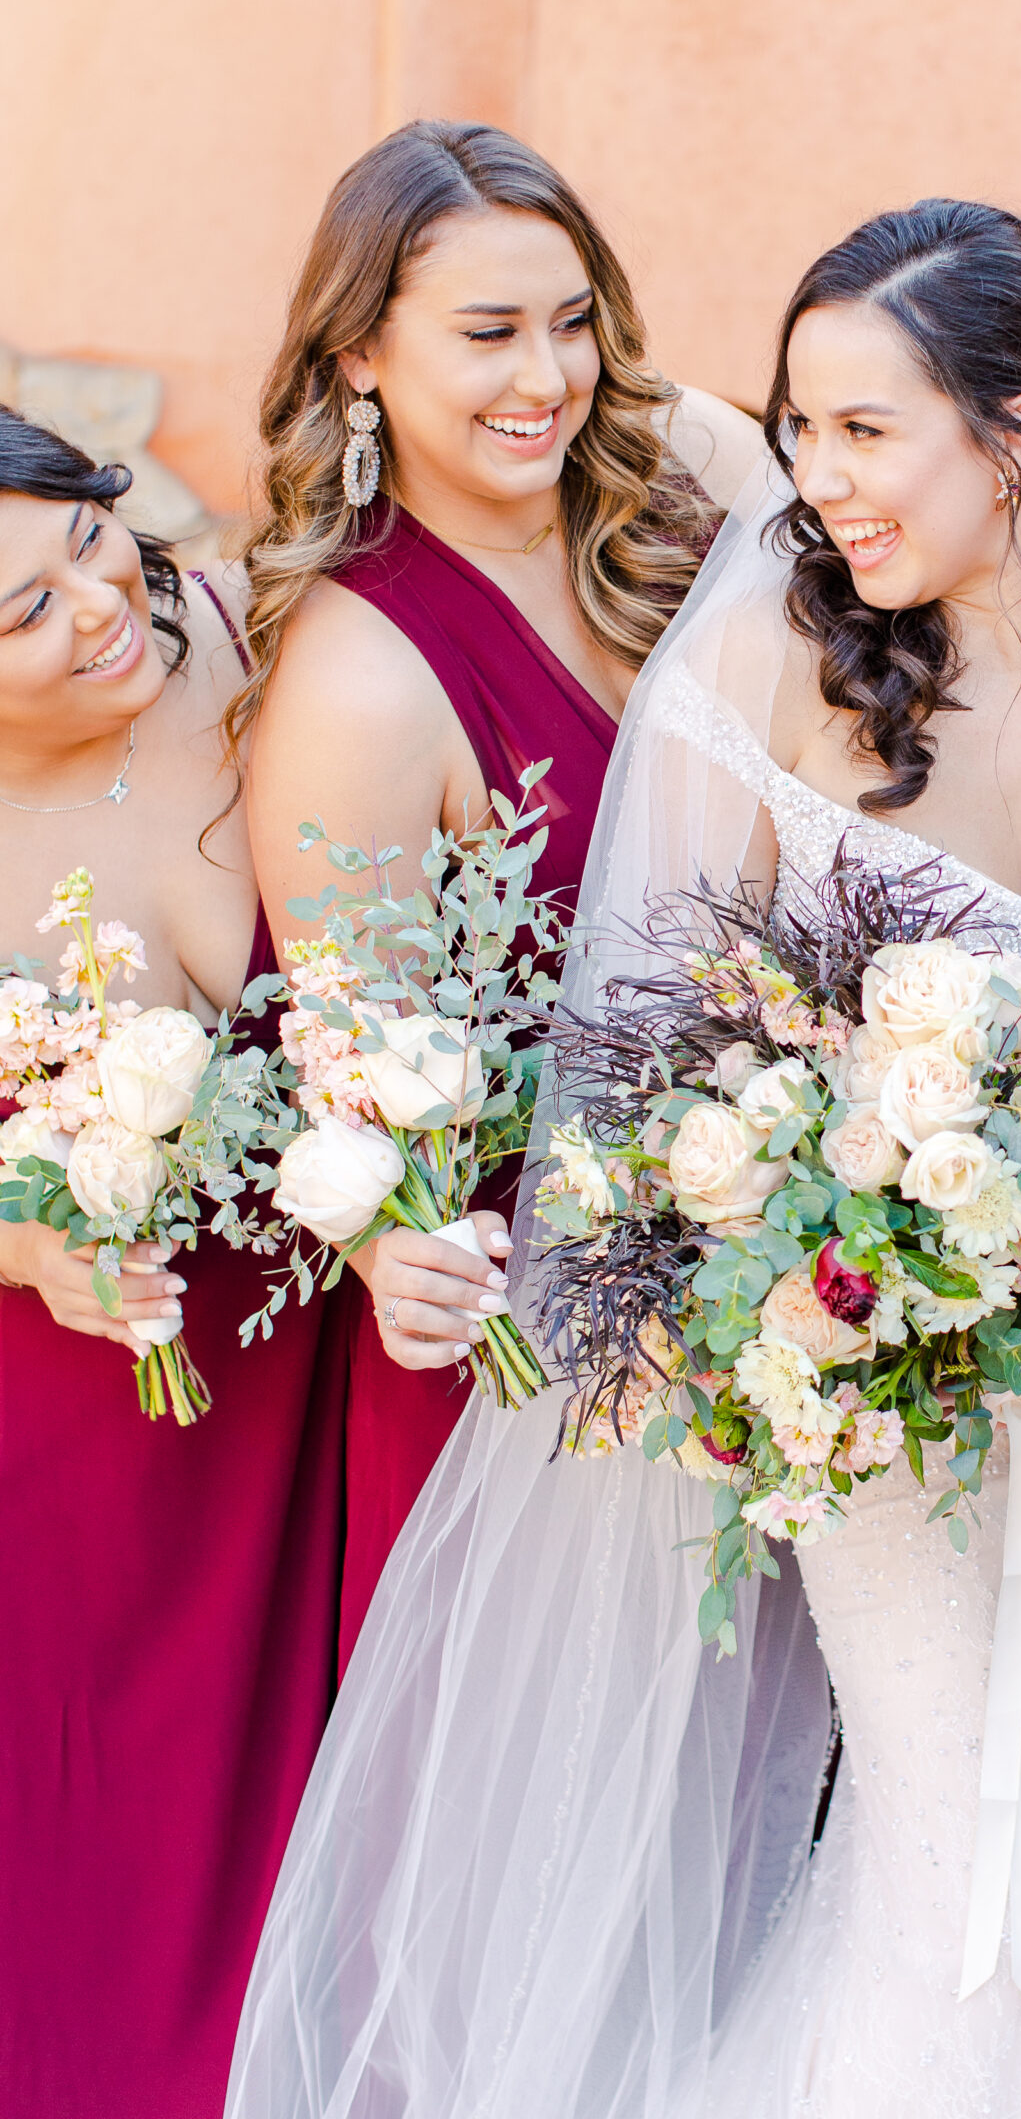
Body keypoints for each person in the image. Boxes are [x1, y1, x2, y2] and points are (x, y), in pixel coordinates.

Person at [185, 199, 1021, 2119]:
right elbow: (641, 1084)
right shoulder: (771, 665)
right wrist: (757, 1286)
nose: (818, 481)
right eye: (794, 425)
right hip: (877, 1407)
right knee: (942, 1899)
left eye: (869, 428)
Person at [235, 120, 761, 1666]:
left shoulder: (674, 504)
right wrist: (395, 1241)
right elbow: (357, 1068)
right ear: (357, 358)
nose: (548, 376)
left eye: (573, 321)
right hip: (525, 1359)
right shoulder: (362, 675)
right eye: (489, 335)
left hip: (762, 1282)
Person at [0, 412, 344, 2119]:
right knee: (87, 1910)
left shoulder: (253, 635)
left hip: (328, 1399)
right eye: (22, 613)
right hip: (68, 1454)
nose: (99, 608)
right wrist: (25, 1236)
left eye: (91, 544)